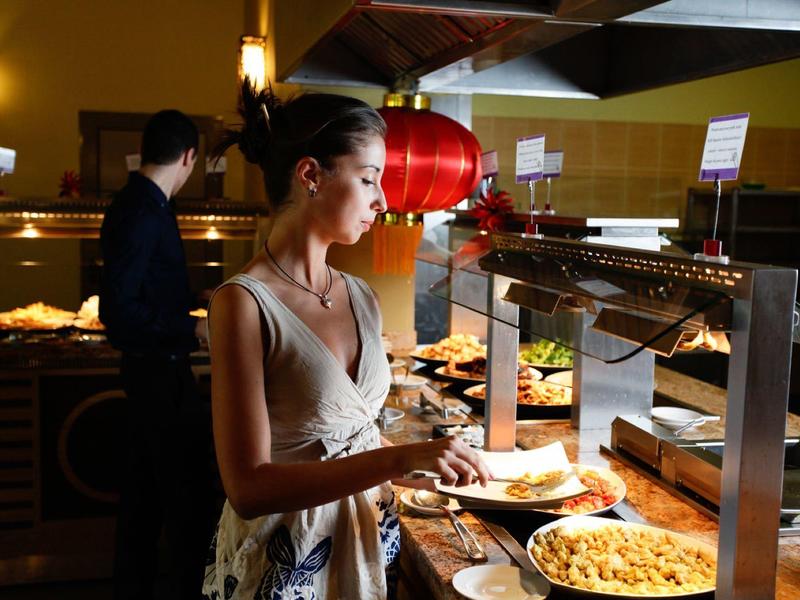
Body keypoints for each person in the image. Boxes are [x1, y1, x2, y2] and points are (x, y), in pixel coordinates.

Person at [201, 81, 491, 600]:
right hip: (285, 563)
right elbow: (247, 489)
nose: (382, 200)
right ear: (310, 175)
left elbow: (352, 436)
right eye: (367, 179)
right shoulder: (242, 303)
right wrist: (400, 459)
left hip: (367, 545)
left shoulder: (361, 295)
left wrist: (424, 472)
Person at [100, 109, 217, 600]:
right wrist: (192, 325)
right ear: (189, 156)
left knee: (146, 504)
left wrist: (204, 299)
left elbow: (151, 290)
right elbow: (119, 310)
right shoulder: (144, 210)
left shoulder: (147, 203)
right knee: (185, 504)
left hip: (158, 372)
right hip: (156, 376)